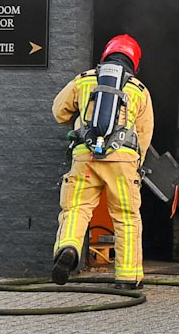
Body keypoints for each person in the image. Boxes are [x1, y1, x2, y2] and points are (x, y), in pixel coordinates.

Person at [48, 34, 153, 290]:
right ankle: (128, 278)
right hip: (123, 161)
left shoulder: (83, 80)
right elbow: (144, 134)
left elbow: (58, 111)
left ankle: (69, 247)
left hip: (86, 158)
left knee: (76, 208)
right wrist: (137, 164)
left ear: (106, 55)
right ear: (134, 62)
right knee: (126, 216)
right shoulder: (139, 90)